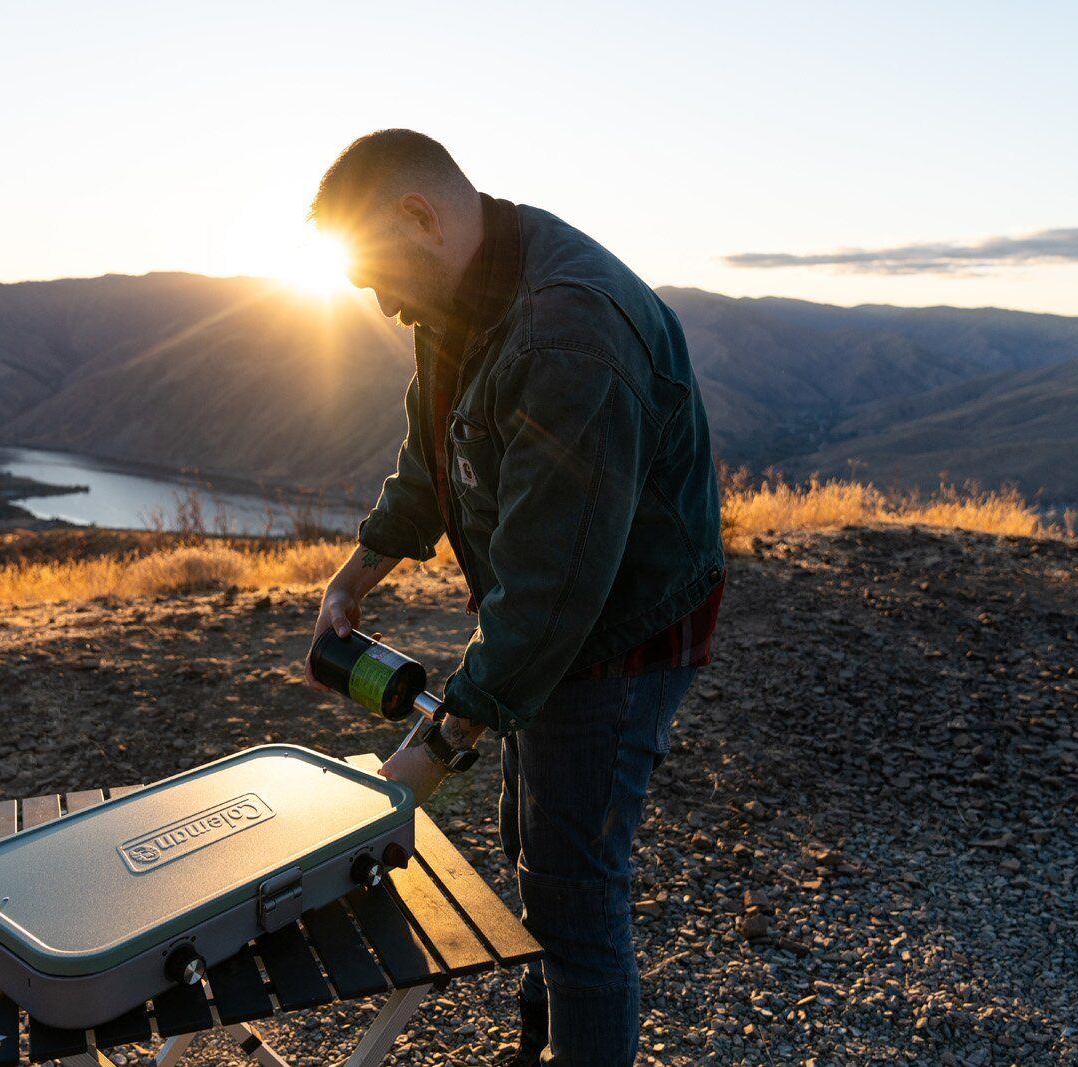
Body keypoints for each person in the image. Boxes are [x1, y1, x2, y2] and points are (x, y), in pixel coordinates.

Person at [302, 129, 725, 1066]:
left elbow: (553, 591)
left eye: (375, 272)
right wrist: (363, 564)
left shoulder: (568, 334)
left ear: (422, 216)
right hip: (554, 615)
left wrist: (441, 743)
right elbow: (436, 450)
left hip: (621, 635)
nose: (376, 302)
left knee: (574, 895)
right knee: (535, 846)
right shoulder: (458, 296)